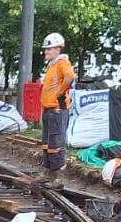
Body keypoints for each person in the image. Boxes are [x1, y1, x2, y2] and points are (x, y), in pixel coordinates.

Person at [38, 32, 75, 189]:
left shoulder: (62, 63)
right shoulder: (52, 65)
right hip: (49, 110)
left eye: (49, 49)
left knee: (56, 142)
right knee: (47, 143)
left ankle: (58, 177)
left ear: (58, 49)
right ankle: (49, 173)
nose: (46, 52)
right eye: (46, 49)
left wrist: (60, 92)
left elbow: (70, 76)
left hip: (57, 110)